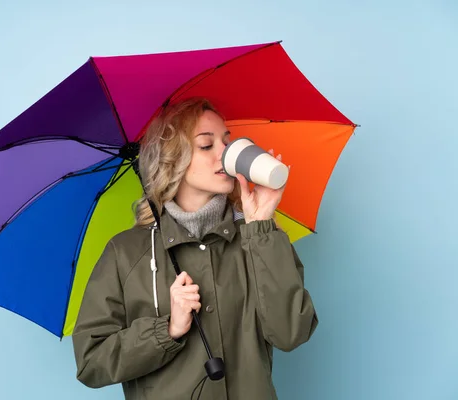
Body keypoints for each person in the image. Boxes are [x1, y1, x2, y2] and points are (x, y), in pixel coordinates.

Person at [71, 97, 319, 399]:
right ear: (174, 159)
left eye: (227, 142)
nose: (224, 154)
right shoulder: (126, 253)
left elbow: (291, 332)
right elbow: (92, 362)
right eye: (206, 145)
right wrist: (168, 330)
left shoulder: (257, 238)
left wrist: (262, 225)